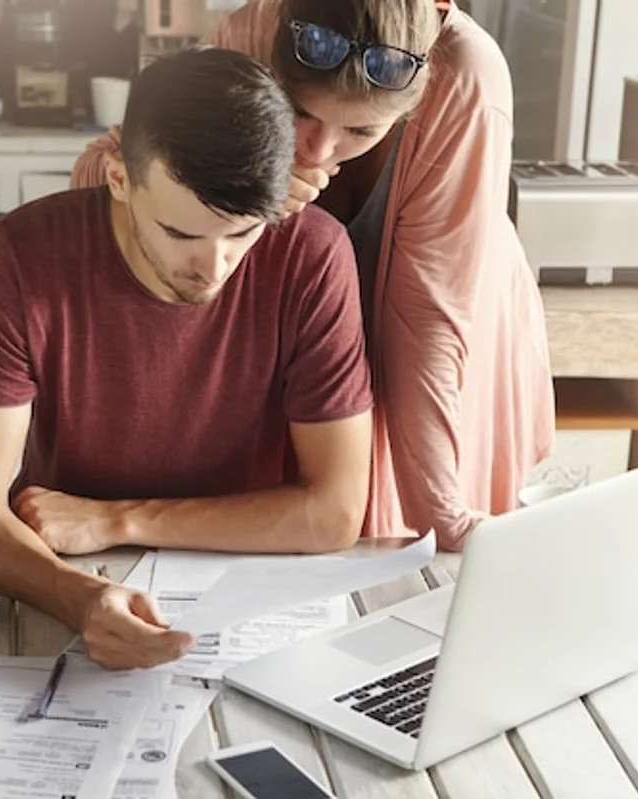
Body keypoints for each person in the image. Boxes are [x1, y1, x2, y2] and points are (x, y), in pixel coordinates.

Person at [0, 47, 374, 670]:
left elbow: (333, 514)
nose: (214, 268)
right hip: (68, 576)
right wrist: (81, 599)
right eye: (181, 234)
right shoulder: (19, 256)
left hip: (249, 594)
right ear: (119, 177)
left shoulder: (314, 256)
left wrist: (117, 520)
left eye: (243, 233)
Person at [72, 0, 557, 552]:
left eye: (362, 128)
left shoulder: (465, 75)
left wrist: (443, 510)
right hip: (312, 361)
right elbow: (104, 171)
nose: (322, 149)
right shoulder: (254, 31)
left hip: (446, 346)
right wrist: (245, 177)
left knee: (425, 561)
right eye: (299, 111)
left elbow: (427, 318)